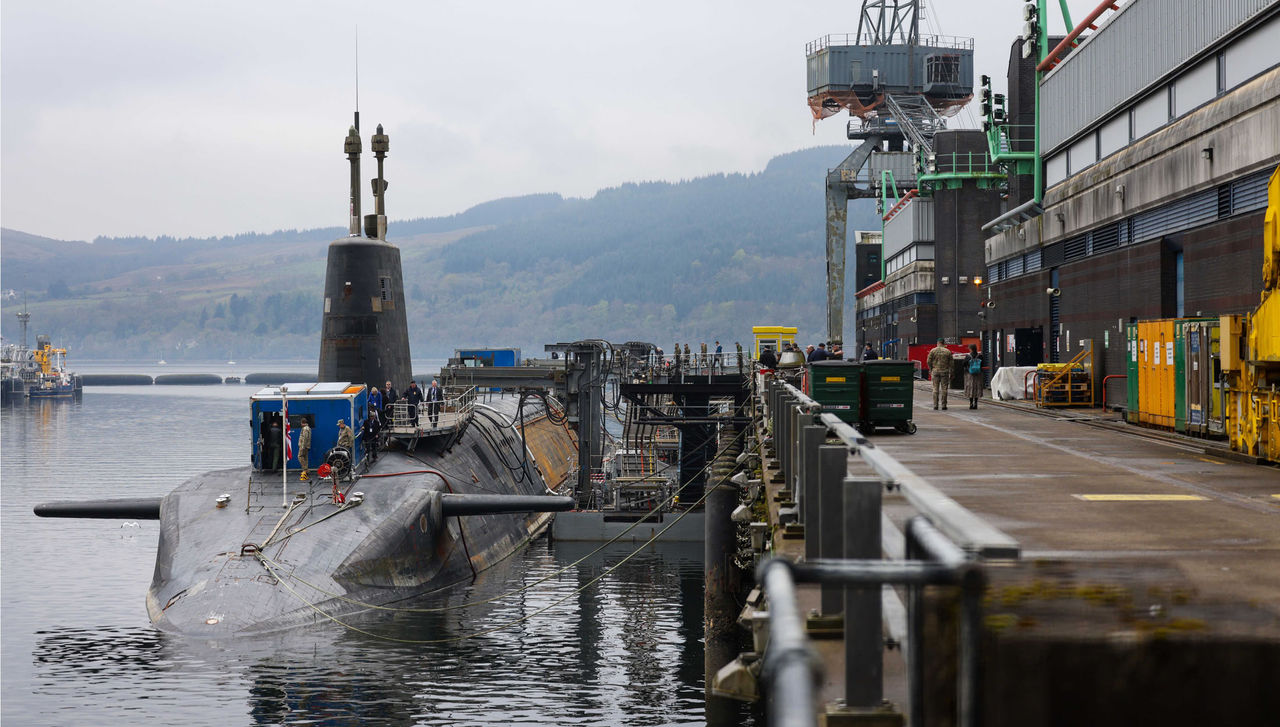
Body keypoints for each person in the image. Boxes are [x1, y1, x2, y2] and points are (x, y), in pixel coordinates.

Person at [927, 338, 955, 410]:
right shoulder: (947, 351)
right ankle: (944, 405)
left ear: (938, 342)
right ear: (943, 343)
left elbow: (928, 361)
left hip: (935, 371)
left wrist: (930, 369)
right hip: (945, 372)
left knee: (935, 389)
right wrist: (952, 372)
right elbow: (952, 364)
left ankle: (935, 405)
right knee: (944, 389)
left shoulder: (933, 351)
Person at [964, 343, 984, 409]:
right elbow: (983, 364)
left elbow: (964, 364)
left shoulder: (968, 356)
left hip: (970, 374)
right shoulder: (980, 356)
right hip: (978, 374)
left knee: (971, 388)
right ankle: (976, 404)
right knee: (977, 388)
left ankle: (971, 404)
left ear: (970, 349)